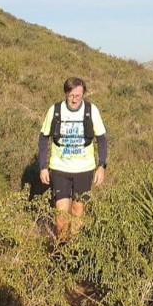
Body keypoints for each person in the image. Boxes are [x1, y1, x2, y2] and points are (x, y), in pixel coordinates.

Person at [38, 77, 107, 241]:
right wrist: (43, 166)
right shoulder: (55, 110)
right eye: (71, 95)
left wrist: (102, 165)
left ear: (83, 94)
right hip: (60, 168)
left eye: (78, 95)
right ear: (65, 93)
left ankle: (74, 247)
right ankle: (61, 247)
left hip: (84, 169)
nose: (75, 99)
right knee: (61, 211)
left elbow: (102, 139)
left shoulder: (91, 110)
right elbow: (43, 138)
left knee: (77, 210)